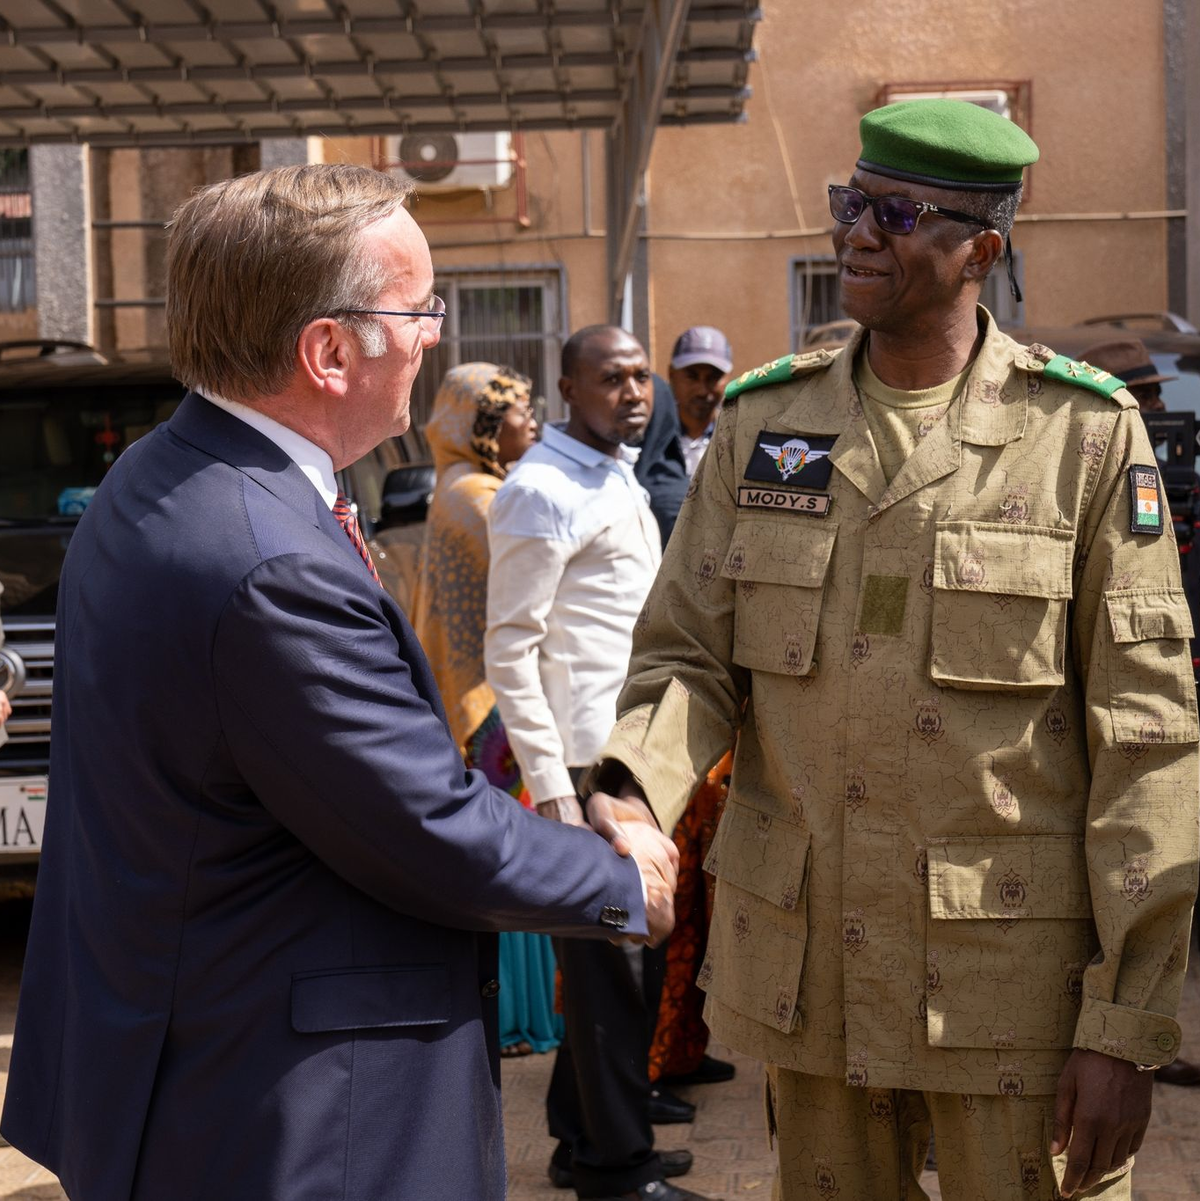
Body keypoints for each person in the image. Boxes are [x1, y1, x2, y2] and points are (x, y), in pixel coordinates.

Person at [0, 164, 680, 1201]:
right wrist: (622, 878)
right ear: (327, 350)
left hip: (196, 1051)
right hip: (292, 1108)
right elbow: (423, 825)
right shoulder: (265, 556)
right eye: (418, 310)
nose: (433, 338)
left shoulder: (165, 472)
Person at [585, 99, 1200, 1201]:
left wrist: (1126, 1022)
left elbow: (1148, 741)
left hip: (1007, 996)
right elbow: (686, 654)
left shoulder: (1083, 437)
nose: (858, 234)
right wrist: (634, 788)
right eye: (849, 202)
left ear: (983, 250)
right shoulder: (767, 427)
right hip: (817, 978)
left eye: (898, 212)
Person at [485, 324, 709, 1201]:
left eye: (640, 377)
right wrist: (554, 794)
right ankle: (619, 1172)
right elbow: (512, 652)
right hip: (582, 769)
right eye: (612, 378)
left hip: (627, 757)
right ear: (568, 387)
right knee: (615, 966)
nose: (635, 392)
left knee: (617, 961)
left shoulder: (607, 473)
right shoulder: (539, 490)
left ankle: (583, 1137)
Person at [412, 360, 562, 1058]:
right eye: (513, 408)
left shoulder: (466, 487)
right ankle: (518, 1015)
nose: (529, 419)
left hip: (480, 702)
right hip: (491, 706)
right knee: (514, 857)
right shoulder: (480, 497)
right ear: (480, 425)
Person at [1080, 337, 1200, 1091]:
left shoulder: (1166, 481)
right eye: (1142, 395)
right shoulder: (1103, 475)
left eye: (1157, 397)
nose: (1153, 409)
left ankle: (1148, 1037)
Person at [668, 326, 734, 477]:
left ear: (727, 378)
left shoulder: (737, 440)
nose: (702, 390)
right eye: (692, 376)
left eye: (713, 378)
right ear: (671, 374)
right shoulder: (652, 440)